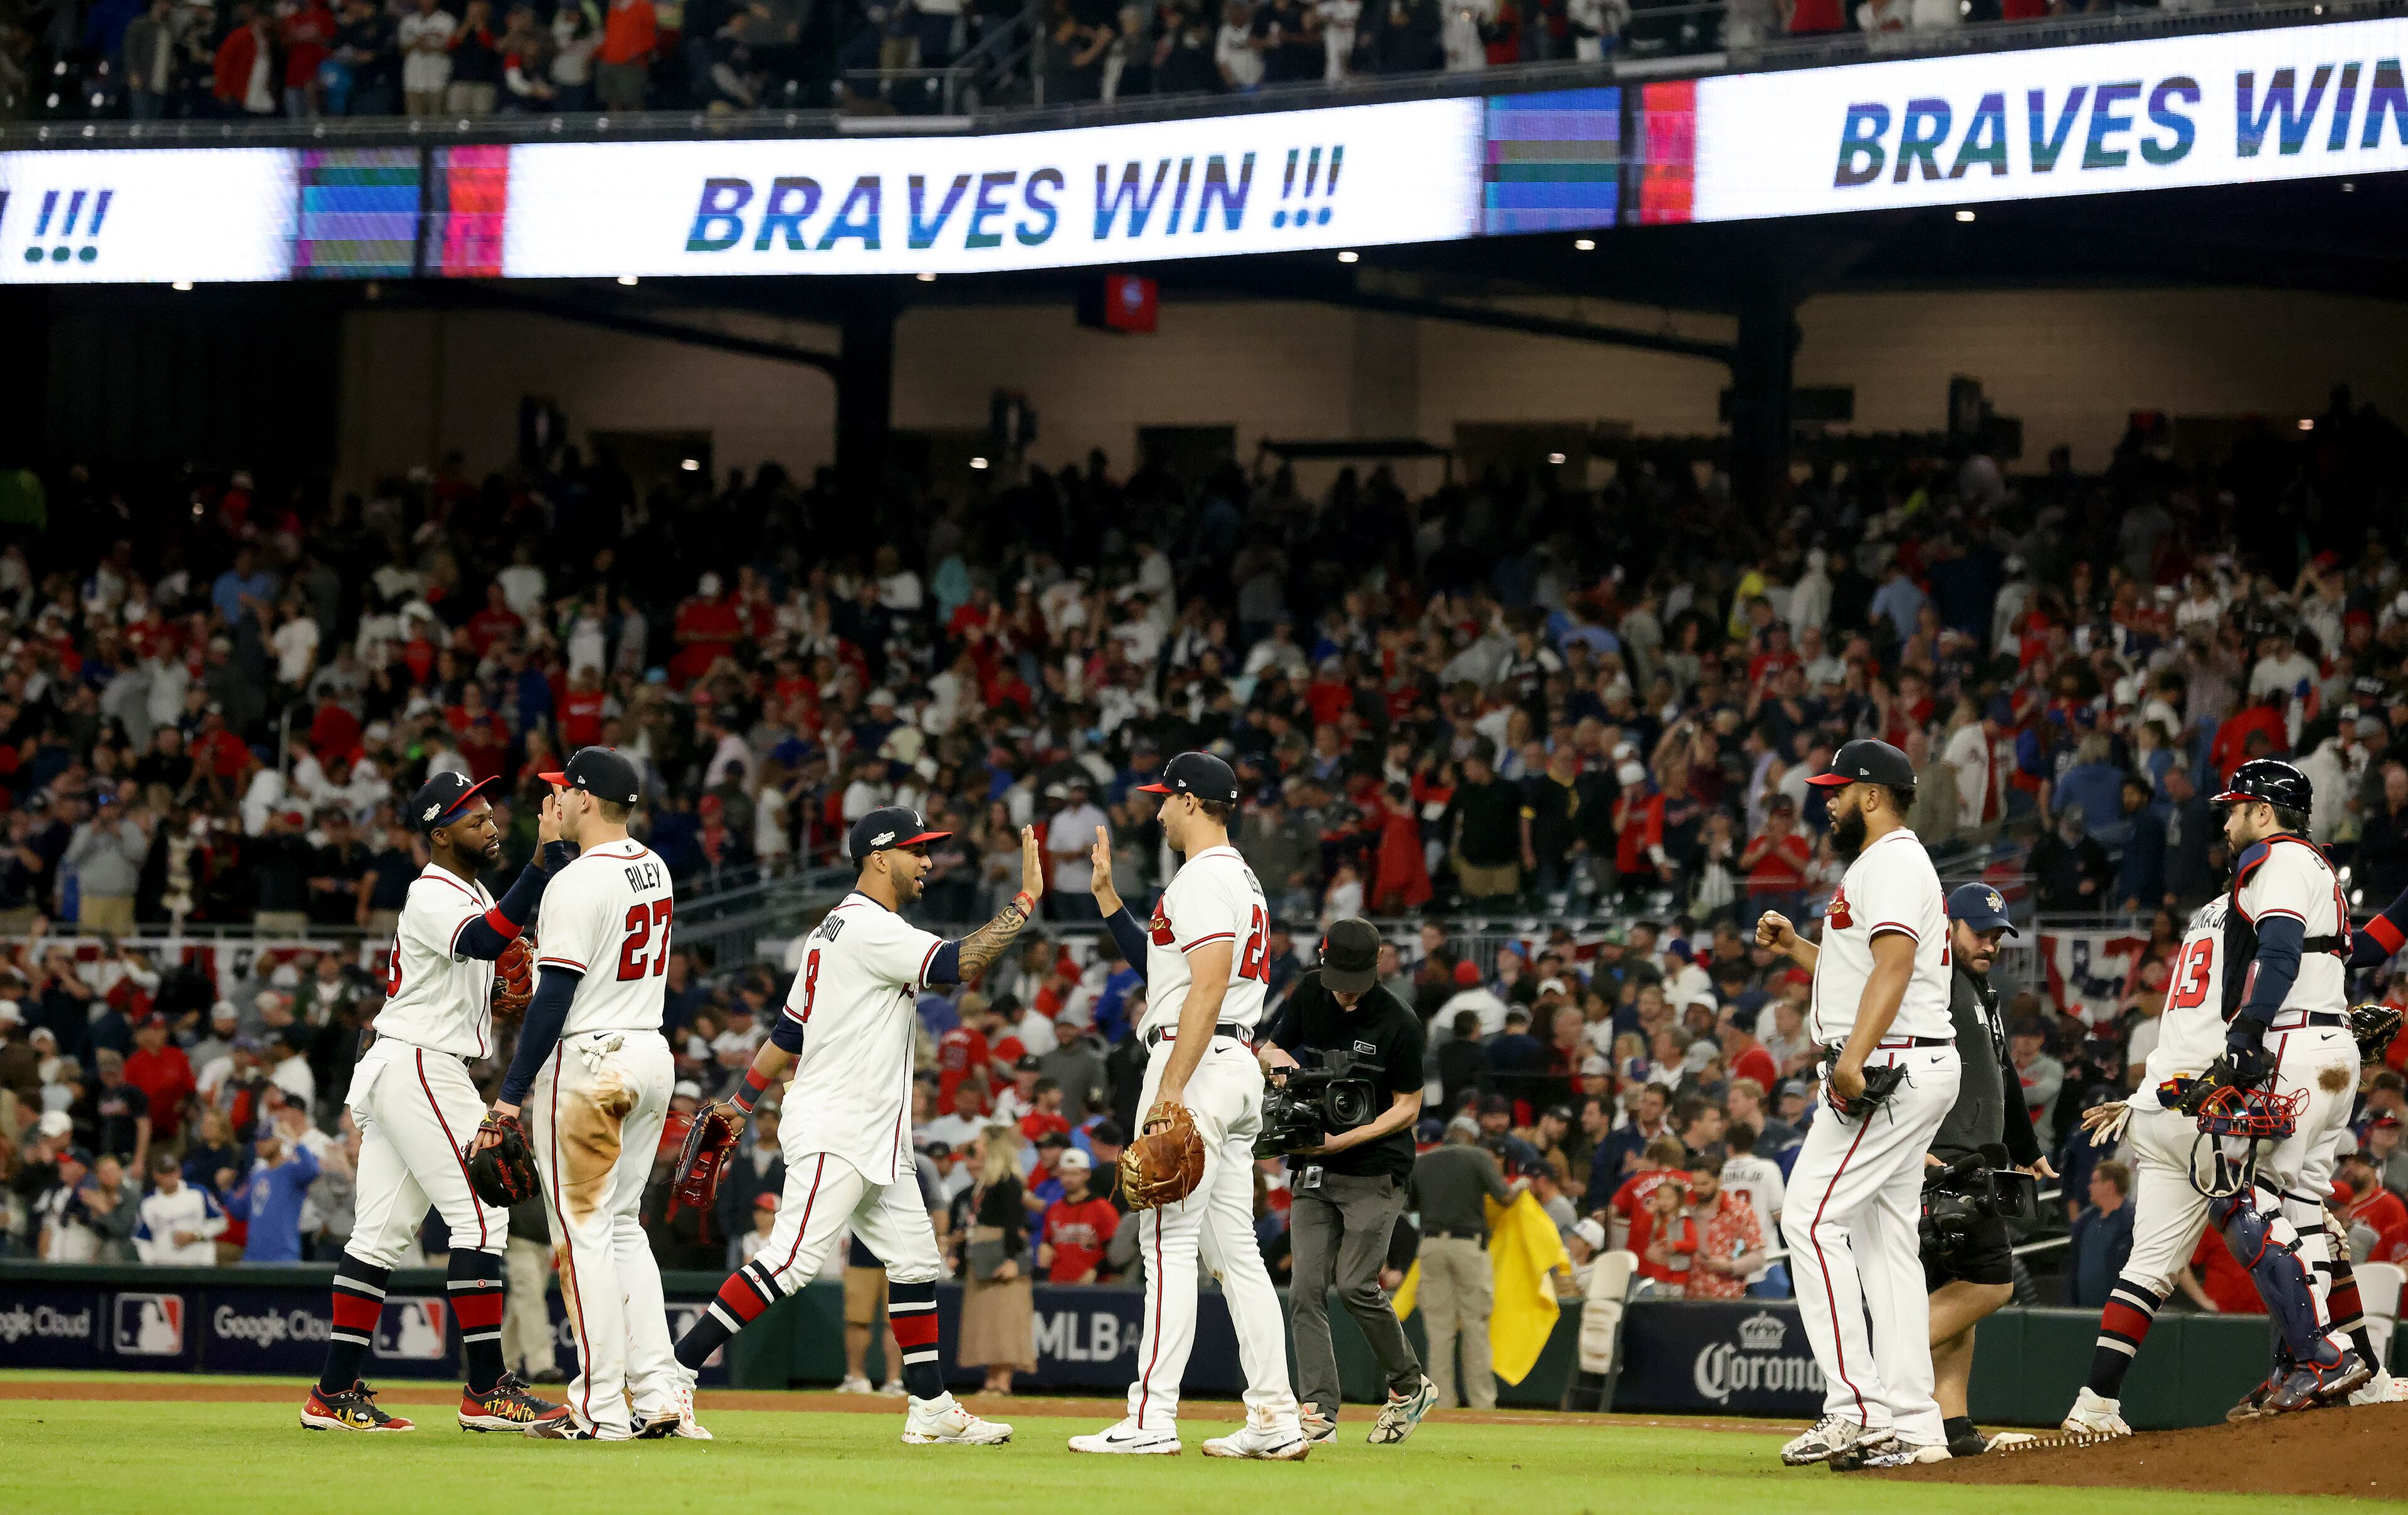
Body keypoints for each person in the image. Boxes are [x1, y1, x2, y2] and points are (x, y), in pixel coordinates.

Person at [665, 800, 1035, 1446]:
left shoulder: (828, 931)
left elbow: (787, 1031)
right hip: (839, 1122)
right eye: (917, 849)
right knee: (790, 1262)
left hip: (873, 1132)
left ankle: (929, 1406)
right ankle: (673, 1372)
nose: (928, 860)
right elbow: (959, 965)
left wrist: (743, 1100)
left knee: (916, 1260)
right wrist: (1026, 899)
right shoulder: (869, 927)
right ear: (878, 856)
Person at [2065, 758, 2395, 1433]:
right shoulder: (2306, 876)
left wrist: (2249, 1037)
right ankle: (2333, 1365)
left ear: (2265, 814)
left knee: (2220, 1226)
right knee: (2294, 1214)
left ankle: (2100, 1402)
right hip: (2282, 1061)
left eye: (2236, 807)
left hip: (2188, 1085)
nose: (2227, 820)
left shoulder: (2231, 899)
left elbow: (2277, 959)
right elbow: (2340, 951)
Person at [300, 771, 571, 1436]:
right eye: (473, 817)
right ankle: (485, 1390)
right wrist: (540, 863)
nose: (491, 823)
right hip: (421, 1062)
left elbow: (489, 953)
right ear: (440, 832)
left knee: (381, 1236)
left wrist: (502, 985)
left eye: (489, 812)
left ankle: (331, 1394)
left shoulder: (470, 891)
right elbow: (481, 941)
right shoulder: (432, 892)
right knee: (484, 1212)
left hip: (407, 1063)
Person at [1068, 751, 1307, 1459]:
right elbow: (1166, 966)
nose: (1159, 809)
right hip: (1232, 1063)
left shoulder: (1202, 876)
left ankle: (1151, 1417)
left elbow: (1204, 986)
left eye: (1166, 799)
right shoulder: (1238, 877)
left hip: (1196, 1062)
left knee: (1165, 1242)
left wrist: (1171, 1086)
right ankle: (1274, 1416)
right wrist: (1109, 900)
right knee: (1237, 1253)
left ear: (1193, 802)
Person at [1756, 738, 1960, 1470]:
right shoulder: (1884, 864)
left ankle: (1856, 1408)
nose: (1828, 800)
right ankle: (1914, 1424)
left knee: (1807, 1216)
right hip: (1905, 1059)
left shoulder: (1896, 860)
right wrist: (1798, 950)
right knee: (1884, 1245)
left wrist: (1849, 1061)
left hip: (1888, 1067)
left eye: (1838, 790)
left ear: (1873, 795)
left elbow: (1898, 967)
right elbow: (1866, 964)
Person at [482, 747, 685, 1441]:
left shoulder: (577, 882)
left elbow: (553, 998)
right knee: (624, 1228)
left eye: (563, 790)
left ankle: (599, 1408)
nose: (554, 800)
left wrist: (508, 1096)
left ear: (587, 801)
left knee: (582, 1235)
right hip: (651, 1053)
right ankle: (661, 1395)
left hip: (593, 1060)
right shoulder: (653, 864)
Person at [1250, 914, 1437, 1447]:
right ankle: (1319, 1411)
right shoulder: (1312, 991)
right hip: (1314, 1157)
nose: (1345, 995)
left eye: (1354, 983)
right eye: (1337, 980)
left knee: (1356, 1285)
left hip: (1376, 1167)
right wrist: (1283, 1065)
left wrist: (1345, 1141)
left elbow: (1408, 1108)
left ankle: (1407, 1385)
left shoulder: (1399, 1022)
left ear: (1376, 966)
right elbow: (1268, 1047)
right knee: (1305, 1290)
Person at [1921, 885, 2049, 1458]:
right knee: (1992, 1284)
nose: (1991, 943)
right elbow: (1888, 1052)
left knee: (1955, 1292)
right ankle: (1876, 1376)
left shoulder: (1978, 989)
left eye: (1997, 934)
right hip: (1942, 1157)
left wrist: (2026, 1145)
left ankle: (1951, 1425)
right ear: (1946, 924)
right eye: (1980, 931)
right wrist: (1907, 1147)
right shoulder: (1927, 979)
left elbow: (2003, 1075)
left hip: (1977, 1156)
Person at [1412, 1116, 1518, 1408]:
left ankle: (1442, 1402)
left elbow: (1409, 1204)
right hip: (1467, 1246)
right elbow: (1504, 1198)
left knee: (1438, 1330)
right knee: (1475, 1325)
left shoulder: (1423, 1161)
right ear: (1471, 1137)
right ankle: (1482, 1403)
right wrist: (1521, 1186)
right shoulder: (1478, 1156)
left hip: (1431, 1245)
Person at [959, 1124, 1036, 1393]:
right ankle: (992, 1378)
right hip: (984, 1259)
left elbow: (1016, 1223)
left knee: (1007, 1320)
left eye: (980, 1142)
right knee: (988, 1322)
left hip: (1003, 1256)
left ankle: (1003, 1381)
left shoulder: (1008, 1182)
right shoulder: (987, 1182)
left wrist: (1014, 1259)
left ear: (992, 1147)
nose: (975, 1147)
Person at [134, 1150, 224, 1265]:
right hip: (165, 1269)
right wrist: (152, 1266)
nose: (170, 1177)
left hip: (200, 1265)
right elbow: (142, 1240)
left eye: (173, 1171)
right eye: (165, 1173)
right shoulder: (148, 1203)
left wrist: (196, 1235)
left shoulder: (198, 1193)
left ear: (179, 1172)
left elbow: (220, 1222)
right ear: (156, 1175)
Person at [2067, 1162, 2135, 1309]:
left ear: (2110, 1185)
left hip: (2119, 1312)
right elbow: (2074, 1263)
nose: (2089, 1186)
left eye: (2095, 1181)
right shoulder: (2085, 1221)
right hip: (2083, 1311)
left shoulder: (2132, 1223)